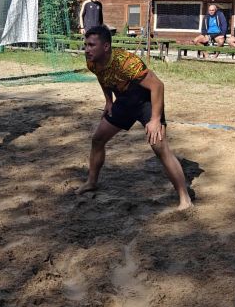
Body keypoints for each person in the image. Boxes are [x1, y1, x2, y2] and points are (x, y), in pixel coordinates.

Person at [77, 25, 192, 210]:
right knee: (97, 139)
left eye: (91, 45)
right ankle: (91, 182)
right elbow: (102, 77)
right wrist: (108, 101)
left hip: (146, 102)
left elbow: (158, 86)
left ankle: (185, 199)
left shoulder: (126, 62)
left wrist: (155, 120)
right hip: (124, 101)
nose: (87, 49)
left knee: (159, 147)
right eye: (86, 45)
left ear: (105, 47)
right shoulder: (92, 62)